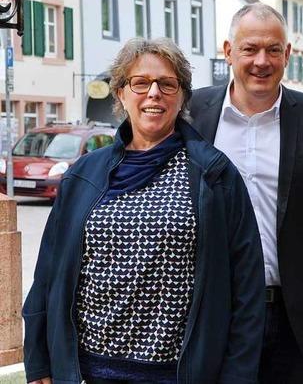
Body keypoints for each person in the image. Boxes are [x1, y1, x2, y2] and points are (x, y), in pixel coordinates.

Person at [22, 38, 265, 384]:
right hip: (87, 372)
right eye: (140, 83)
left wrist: (237, 375)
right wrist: (38, 361)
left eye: (168, 84)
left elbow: (247, 288)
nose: (154, 93)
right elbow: (47, 273)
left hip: (178, 374)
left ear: (181, 97)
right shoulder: (83, 175)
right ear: (120, 93)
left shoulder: (213, 175)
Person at [189, 3, 303, 383]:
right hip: (209, 308)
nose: (261, 61)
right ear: (229, 51)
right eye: (249, 49)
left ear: (288, 54)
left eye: (273, 49)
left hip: (288, 314)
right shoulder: (192, 112)